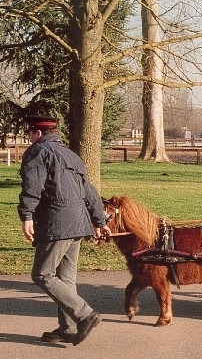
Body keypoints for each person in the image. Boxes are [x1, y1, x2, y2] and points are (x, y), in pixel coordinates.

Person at [17, 115, 111, 346]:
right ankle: (68, 328)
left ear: (38, 133)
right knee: (65, 278)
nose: (29, 137)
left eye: (30, 133)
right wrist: (99, 220)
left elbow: (33, 186)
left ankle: (84, 314)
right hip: (79, 223)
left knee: (42, 274)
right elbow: (90, 191)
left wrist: (27, 215)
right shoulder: (72, 155)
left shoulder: (38, 152)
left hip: (57, 223)